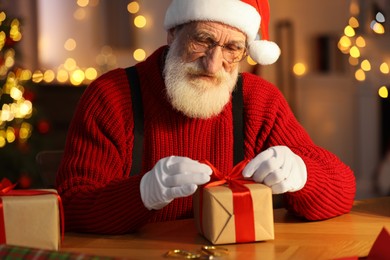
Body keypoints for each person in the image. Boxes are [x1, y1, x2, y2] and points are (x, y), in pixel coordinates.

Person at [56, 0, 356, 234]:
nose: (213, 65)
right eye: (202, 40)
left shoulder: (259, 101)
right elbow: (70, 206)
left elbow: (344, 190)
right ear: (173, 32)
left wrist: (303, 175)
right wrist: (142, 193)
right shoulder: (110, 97)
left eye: (231, 48)